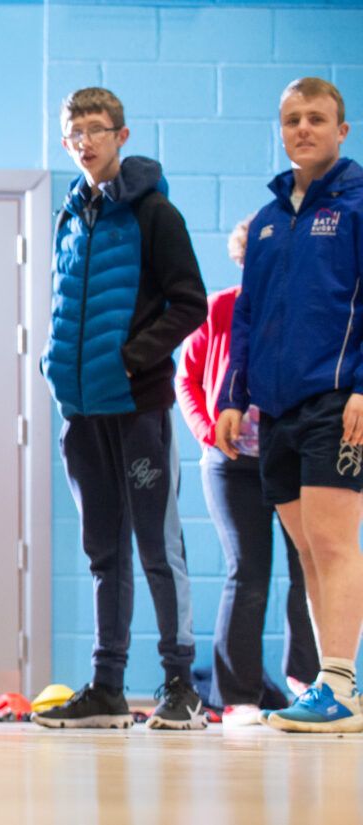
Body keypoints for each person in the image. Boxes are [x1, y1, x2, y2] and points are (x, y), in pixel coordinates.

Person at [34, 87, 208, 731]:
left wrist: (133, 358)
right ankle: (108, 687)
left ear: (122, 135)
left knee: (159, 547)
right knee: (104, 554)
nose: (85, 140)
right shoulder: (69, 215)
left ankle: (180, 687)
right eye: (74, 131)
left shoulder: (154, 212)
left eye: (97, 129)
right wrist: (55, 368)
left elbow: (190, 302)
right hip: (81, 413)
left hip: (138, 408)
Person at [216, 77, 363, 733]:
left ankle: (340, 684)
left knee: (333, 542)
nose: (304, 129)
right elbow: (247, 314)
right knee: (306, 548)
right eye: (293, 119)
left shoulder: (358, 207)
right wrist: (232, 394)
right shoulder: (270, 221)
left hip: (336, 399)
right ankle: (323, 685)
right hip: (273, 412)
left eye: (317, 118)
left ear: (342, 130)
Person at [177, 217, 318, 727]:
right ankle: (237, 696)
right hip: (232, 466)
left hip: (295, 459)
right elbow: (186, 378)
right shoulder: (221, 308)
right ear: (243, 260)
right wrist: (207, 428)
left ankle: (309, 681)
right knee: (248, 571)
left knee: (310, 568)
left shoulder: (306, 314)